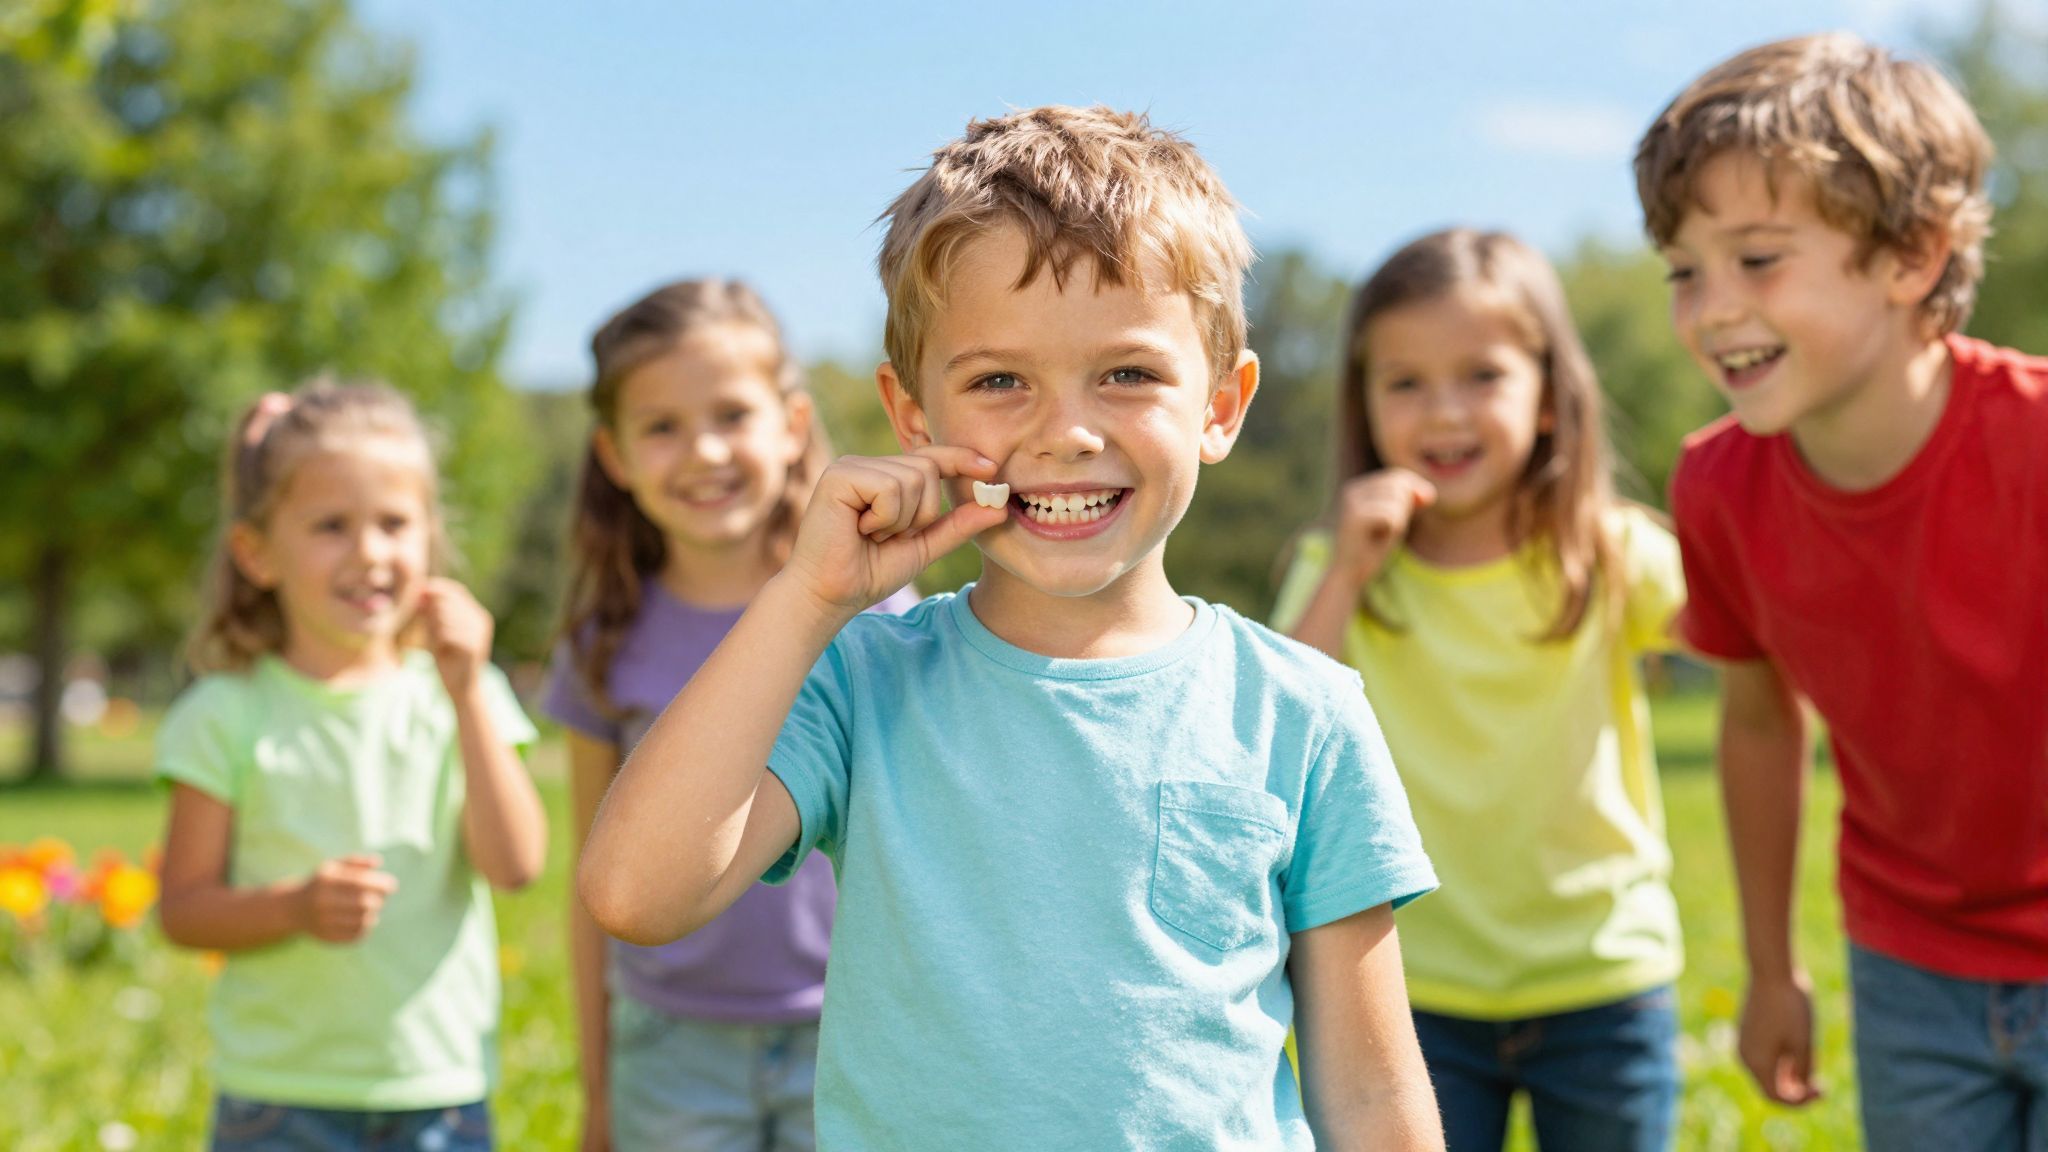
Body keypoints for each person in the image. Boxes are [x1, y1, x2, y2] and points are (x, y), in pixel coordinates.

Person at [578, 105, 1443, 1149]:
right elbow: (636, 893)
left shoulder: (1301, 712)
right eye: (998, 381)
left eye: (1127, 374)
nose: (1066, 432)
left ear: (1220, 404)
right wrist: (805, 600)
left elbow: (1371, 1093)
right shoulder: (859, 682)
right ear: (913, 416)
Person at [1635, 32, 2048, 1151]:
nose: (1712, 309)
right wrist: (1771, 967)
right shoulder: (1716, 488)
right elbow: (1758, 719)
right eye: (1684, 272)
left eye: (1757, 259)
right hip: (1908, 961)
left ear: (1911, 256)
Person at [1273, 227, 1686, 1151]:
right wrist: (1347, 574)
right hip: (1413, 990)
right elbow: (1279, 723)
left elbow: (1752, 639)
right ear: (1364, 402)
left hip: (1605, 982)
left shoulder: (1611, 550)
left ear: (1549, 399)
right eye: (1406, 383)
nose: (1444, 412)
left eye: (1483, 375)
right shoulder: (1338, 563)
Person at [546, 278, 916, 1152]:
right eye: (662, 427)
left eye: (732, 415)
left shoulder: (874, 615)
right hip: (669, 1049)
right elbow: (592, 888)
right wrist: (598, 1092)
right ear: (613, 455)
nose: (704, 451)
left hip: (854, 1030)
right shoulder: (604, 643)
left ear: (792, 425)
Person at [155, 380, 546, 1151]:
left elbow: (516, 866)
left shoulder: (460, 692)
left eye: (394, 523)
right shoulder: (225, 714)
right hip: (279, 1101)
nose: (369, 553)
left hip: (438, 1094)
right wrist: (295, 907)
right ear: (257, 553)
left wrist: (469, 692)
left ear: (430, 537)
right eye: (331, 526)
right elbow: (184, 910)